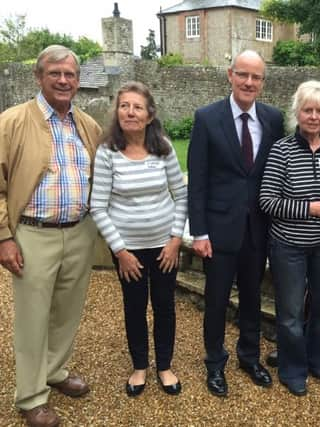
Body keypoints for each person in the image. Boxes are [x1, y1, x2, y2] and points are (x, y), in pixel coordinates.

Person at [0, 45, 102, 427]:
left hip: (79, 231)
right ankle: (30, 396)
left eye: (70, 75)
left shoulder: (87, 125)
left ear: (78, 80)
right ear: (39, 77)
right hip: (33, 233)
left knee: (66, 312)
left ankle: (55, 372)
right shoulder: (11, 122)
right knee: (32, 318)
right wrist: (4, 237)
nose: (63, 80)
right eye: (55, 73)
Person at [187, 50, 285, 397]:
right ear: (230, 74)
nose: (248, 82)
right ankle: (215, 364)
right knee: (215, 301)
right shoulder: (207, 117)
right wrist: (198, 231)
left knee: (253, 299)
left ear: (262, 81)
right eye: (243, 74)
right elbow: (197, 179)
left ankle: (248, 356)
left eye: (256, 77)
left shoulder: (273, 119)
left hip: (258, 230)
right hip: (217, 230)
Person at [90, 82, 187, 397]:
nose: (130, 112)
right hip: (128, 250)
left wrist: (175, 240)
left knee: (164, 306)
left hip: (164, 248)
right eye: (124, 106)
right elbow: (98, 206)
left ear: (149, 115)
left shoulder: (164, 148)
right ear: (117, 112)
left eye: (137, 107)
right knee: (134, 307)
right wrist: (120, 251)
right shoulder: (107, 152)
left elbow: (181, 194)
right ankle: (140, 366)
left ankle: (165, 366)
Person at [259, 80, 320, 396]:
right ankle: (292, 368)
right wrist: (310, 208)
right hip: (288, 246)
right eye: (307, 110)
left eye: (319, 110)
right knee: (291, 312)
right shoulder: (281, 150)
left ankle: (315, 358)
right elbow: (267, 201)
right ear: (297, 113)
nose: (313, 116)